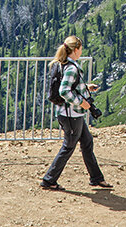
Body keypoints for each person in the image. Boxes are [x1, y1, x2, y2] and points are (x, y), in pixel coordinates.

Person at [40, 35, 112, 190]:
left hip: (69, 113)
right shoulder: (72, 68)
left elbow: (72, 86)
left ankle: (97, 178)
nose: (81, 52)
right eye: (80, 49)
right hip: (71, 114)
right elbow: (64, 91)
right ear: (75, 49)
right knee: (68, 146)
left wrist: (86, 86)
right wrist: (83, 102)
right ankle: (49, 179)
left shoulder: (63, 64)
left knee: (87, 142)